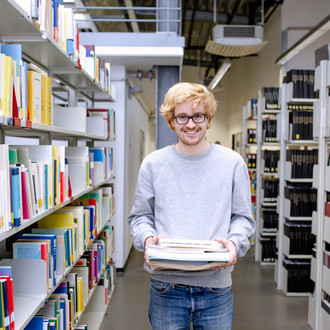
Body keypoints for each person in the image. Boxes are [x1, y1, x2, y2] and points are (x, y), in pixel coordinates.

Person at [128, 82, 255, 330]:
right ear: (171, 121)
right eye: (182, 116)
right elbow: (140, 217)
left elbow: (243, 218)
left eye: (198, 115)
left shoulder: (232, 163)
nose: (190, 124)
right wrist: (147, 238)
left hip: (215, 287)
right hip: (166, 287)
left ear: (208, 119)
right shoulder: (153, 164)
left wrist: (234, 242)